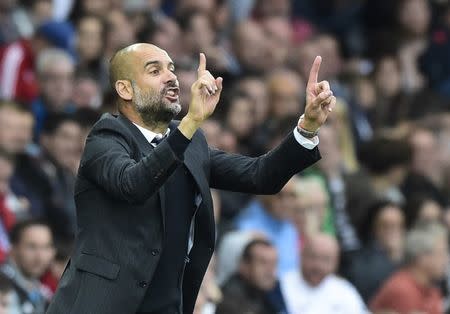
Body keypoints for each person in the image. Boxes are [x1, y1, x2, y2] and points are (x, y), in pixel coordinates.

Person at [47, 42, 335, 314]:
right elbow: (133, 184)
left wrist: (306, 129)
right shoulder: (106, 136)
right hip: (101, 305)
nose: (171, 78)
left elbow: (259, 176)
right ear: (125, 89)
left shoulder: (188, 140)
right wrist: (190, 124)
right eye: (155, 70)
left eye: (172, 69)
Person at [370, 222, 448, 314]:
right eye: (442, 253)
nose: (447, 259)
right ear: (422, 257)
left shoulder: (430, 287)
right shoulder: (402, 290)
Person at [280, 234, 367, 314]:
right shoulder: (281, 286)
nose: (318, 265)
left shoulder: (344, 290)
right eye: (313, 257)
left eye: (326, 260)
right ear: (301, 255)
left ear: (335, 263)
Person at [0, 219, 55, 314]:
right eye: (32, 247)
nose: (40, 257)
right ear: (13, 249)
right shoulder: (2, 285)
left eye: (46, 247)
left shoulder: (39, 288)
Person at [215, 239, 284, 314]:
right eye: (263, 262)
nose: (270, 271)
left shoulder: (273, 294)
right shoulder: (227, 299)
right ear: (244, 265)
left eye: (274, 263)